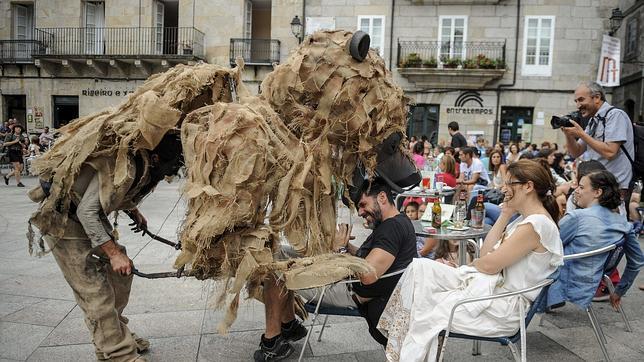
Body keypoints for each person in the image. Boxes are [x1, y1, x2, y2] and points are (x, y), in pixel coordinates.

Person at [377, 159, 563, 361]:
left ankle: (400, 349)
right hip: (495, 295)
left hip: (502, 308)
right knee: (420, 268)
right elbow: (485, 255)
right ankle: (401, 348)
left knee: (423, 304)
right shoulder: (527, 220)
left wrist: (470, 266)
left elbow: (489, 264)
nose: (503, 188)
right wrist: (505, 214)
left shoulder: (535, 225)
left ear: (528, 187)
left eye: (510, 183)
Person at [38, 133, 184, 362]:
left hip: (82, 212)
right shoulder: (123, 164)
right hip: (63, 219)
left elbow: (108, 193)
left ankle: (114, 333)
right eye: (170, 165)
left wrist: (133, 210)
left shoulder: (140, 161)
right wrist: (113, 254)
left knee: (121, 274)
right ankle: (116, 353)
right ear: (156, 158)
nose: (170, 172)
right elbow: (87, 212)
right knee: (94, 288)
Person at [255, 178, 417, 360]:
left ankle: (272, 342)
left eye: (363, 205)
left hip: (346, 289)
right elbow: (373, 260)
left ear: (382, 197)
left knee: (275, 269)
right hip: (346, 280)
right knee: (280, 253)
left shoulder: (392, 228)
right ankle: (289, 326)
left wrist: (339, 250)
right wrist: (349, 248)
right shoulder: (397, 222)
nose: (361, 211)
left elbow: (368, 275)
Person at [548, 171, 643, 310]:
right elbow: (637, 261)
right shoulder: (624, 225)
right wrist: (619, 291)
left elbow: (548, 246)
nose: (576, 190)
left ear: (597, 192)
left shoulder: (576, 218)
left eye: (581, 187)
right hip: (596, 281)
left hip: (562, 280)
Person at [562, 81, 634, 207]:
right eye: (576, 101)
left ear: (597, 98)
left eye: (581, 100)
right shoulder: (593, 122)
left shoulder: (615, 115)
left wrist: (581, 134)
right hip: (596, 186)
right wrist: (568, 134)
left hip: (614, 187)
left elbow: (610, 152)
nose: (578, 106)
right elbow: (576, 152)